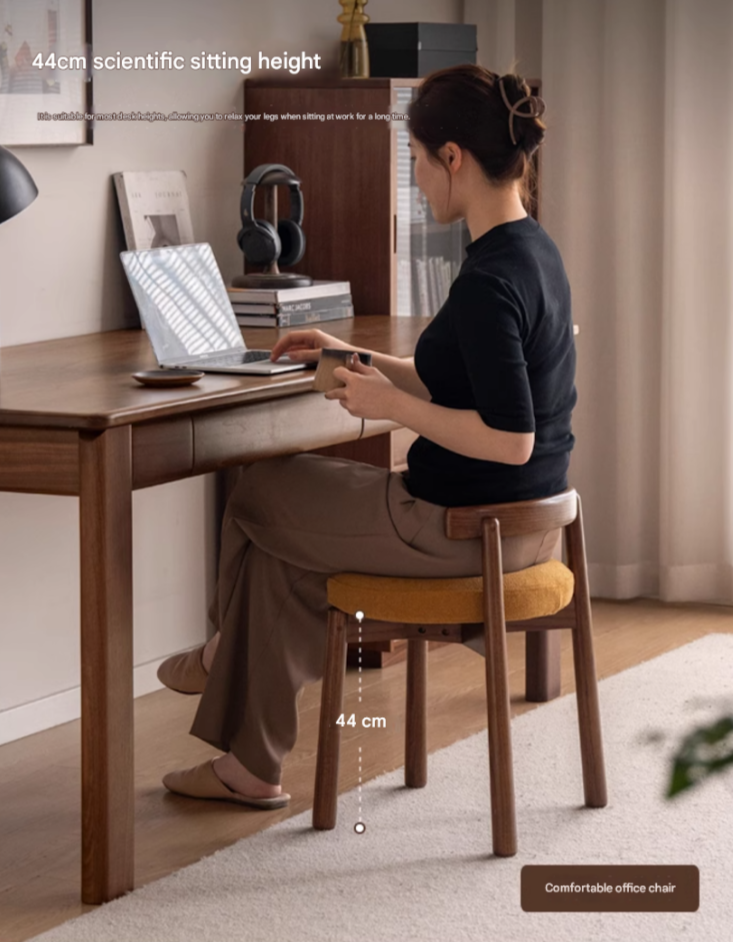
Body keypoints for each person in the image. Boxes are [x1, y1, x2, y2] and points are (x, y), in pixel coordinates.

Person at [158, 64, 577, 809]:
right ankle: (248, 770)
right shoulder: (529, 251)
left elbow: (509, 437)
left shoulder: (488, 281)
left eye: (416, 160)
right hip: (514, 525)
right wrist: (352, 360)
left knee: (257, 488)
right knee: (279, 561)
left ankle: (222, 655)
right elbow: (458, 381)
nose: (415, 180)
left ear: (453, 156)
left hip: (458, 530)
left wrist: (389, 405)